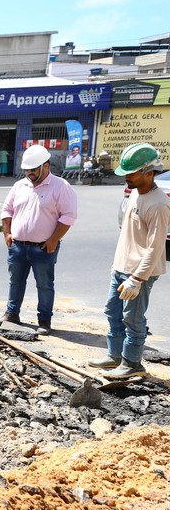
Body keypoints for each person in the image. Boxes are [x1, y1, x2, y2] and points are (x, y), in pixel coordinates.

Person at [88, 143, 170, 379]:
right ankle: (114, 355)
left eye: (130, 173)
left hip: (138, 274)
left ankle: (132, 362)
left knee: (133, 319)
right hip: (122, 267)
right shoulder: (135, 193)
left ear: (148, 172)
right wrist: (117, 265)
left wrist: (137, 279)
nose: (126, 178)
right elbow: (128, 233)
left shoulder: (158, 204)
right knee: (112, 311)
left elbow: (155, 248)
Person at [0, 144, 78, 336]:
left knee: (44, 284)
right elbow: (7, 210)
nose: (29, 173)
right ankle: (12, 313)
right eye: (27, 170)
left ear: (46, 166)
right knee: (15, 281)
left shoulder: (61, 187)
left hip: (43, 247)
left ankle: (44, 321)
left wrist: (53, 240)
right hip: (18, 246)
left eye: (33, 169)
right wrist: (7, 234)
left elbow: (67, 217)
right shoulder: (19, 185)